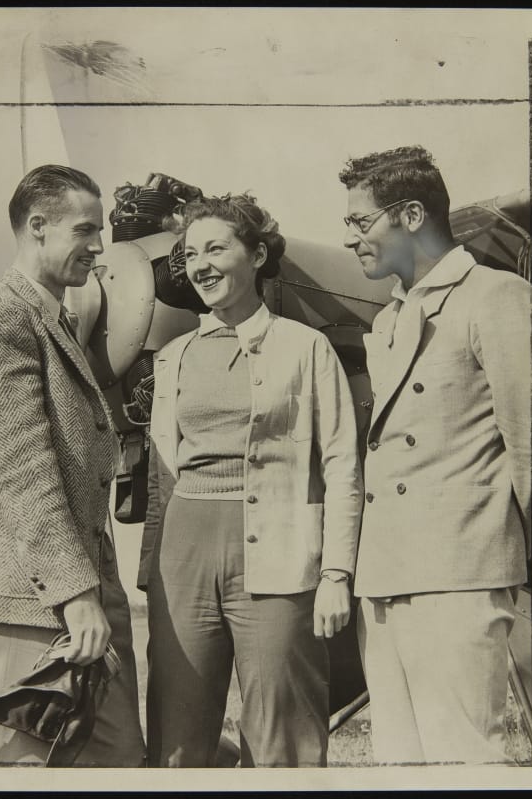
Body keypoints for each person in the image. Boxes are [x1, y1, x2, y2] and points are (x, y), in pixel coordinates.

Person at [136, 193, 363, 767]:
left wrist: (337, 571)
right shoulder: (173, 356)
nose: (200, 265)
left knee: (284, 730)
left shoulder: (307, 347)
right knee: (176, 736)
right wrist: (151, 571)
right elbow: (161, 474)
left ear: (258, 255)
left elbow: (342, 463)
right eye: (190, 254)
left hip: (279, 549)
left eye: (216, 249)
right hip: (182, 554)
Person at [339, 145, 532, 764]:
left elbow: (530, 445)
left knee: (466, 759)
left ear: (412, 214)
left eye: (360, 221)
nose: (350, 239)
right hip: (385, 579)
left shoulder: (496, 295)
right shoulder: (390, 318)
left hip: (459, 576)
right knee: (398, 764)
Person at [0, 164, 146, 766]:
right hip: (31, 607)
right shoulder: (1, 320)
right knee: (17, 772)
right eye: (85, 230)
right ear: (38, 227)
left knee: (116, 763)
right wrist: (76, 596)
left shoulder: (49, 317)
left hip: (80, 595)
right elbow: (24, 476)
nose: (99, 246)